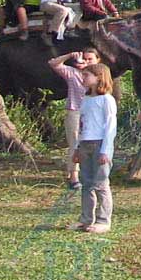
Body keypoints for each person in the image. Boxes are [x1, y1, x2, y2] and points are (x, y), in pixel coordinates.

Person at [70, 63, 117, 233]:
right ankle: (86, 219)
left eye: (86, 75)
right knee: (87, 183)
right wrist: (77, 147)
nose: (83, 79)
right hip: (85, 144)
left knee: (101, 184)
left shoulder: (107, 100)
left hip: (99, 145)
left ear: (98, 77)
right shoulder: (86, 99)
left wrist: (105, 150)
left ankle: (104, 220)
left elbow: (110, 127)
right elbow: (82, 126)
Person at [48, 49, 98, 189]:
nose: (86, 62)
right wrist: (70, 55)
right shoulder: (72, 73)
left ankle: (92, 173)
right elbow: (53, 63)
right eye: (85, 58)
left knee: (93, 143)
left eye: (90, 59)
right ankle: (74, 175)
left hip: (93, 113)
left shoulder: (101, 75)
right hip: (75, 111)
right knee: (75, 143)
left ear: (97, 60)